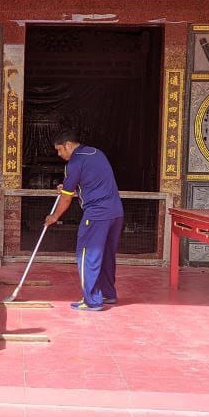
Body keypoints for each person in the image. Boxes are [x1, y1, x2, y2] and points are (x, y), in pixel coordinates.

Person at [44, 131, 124, 311]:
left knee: (88, 255)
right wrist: (70, 188)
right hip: (116, 212)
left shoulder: (74, 163)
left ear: (68, 145)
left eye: (59, 150)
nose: (59, 155)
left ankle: (92, 301)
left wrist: (54, 217)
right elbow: (93, 185)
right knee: (106, 255)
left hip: (96, 215)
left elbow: (65, 199)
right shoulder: (97, 153)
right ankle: (107, 294)